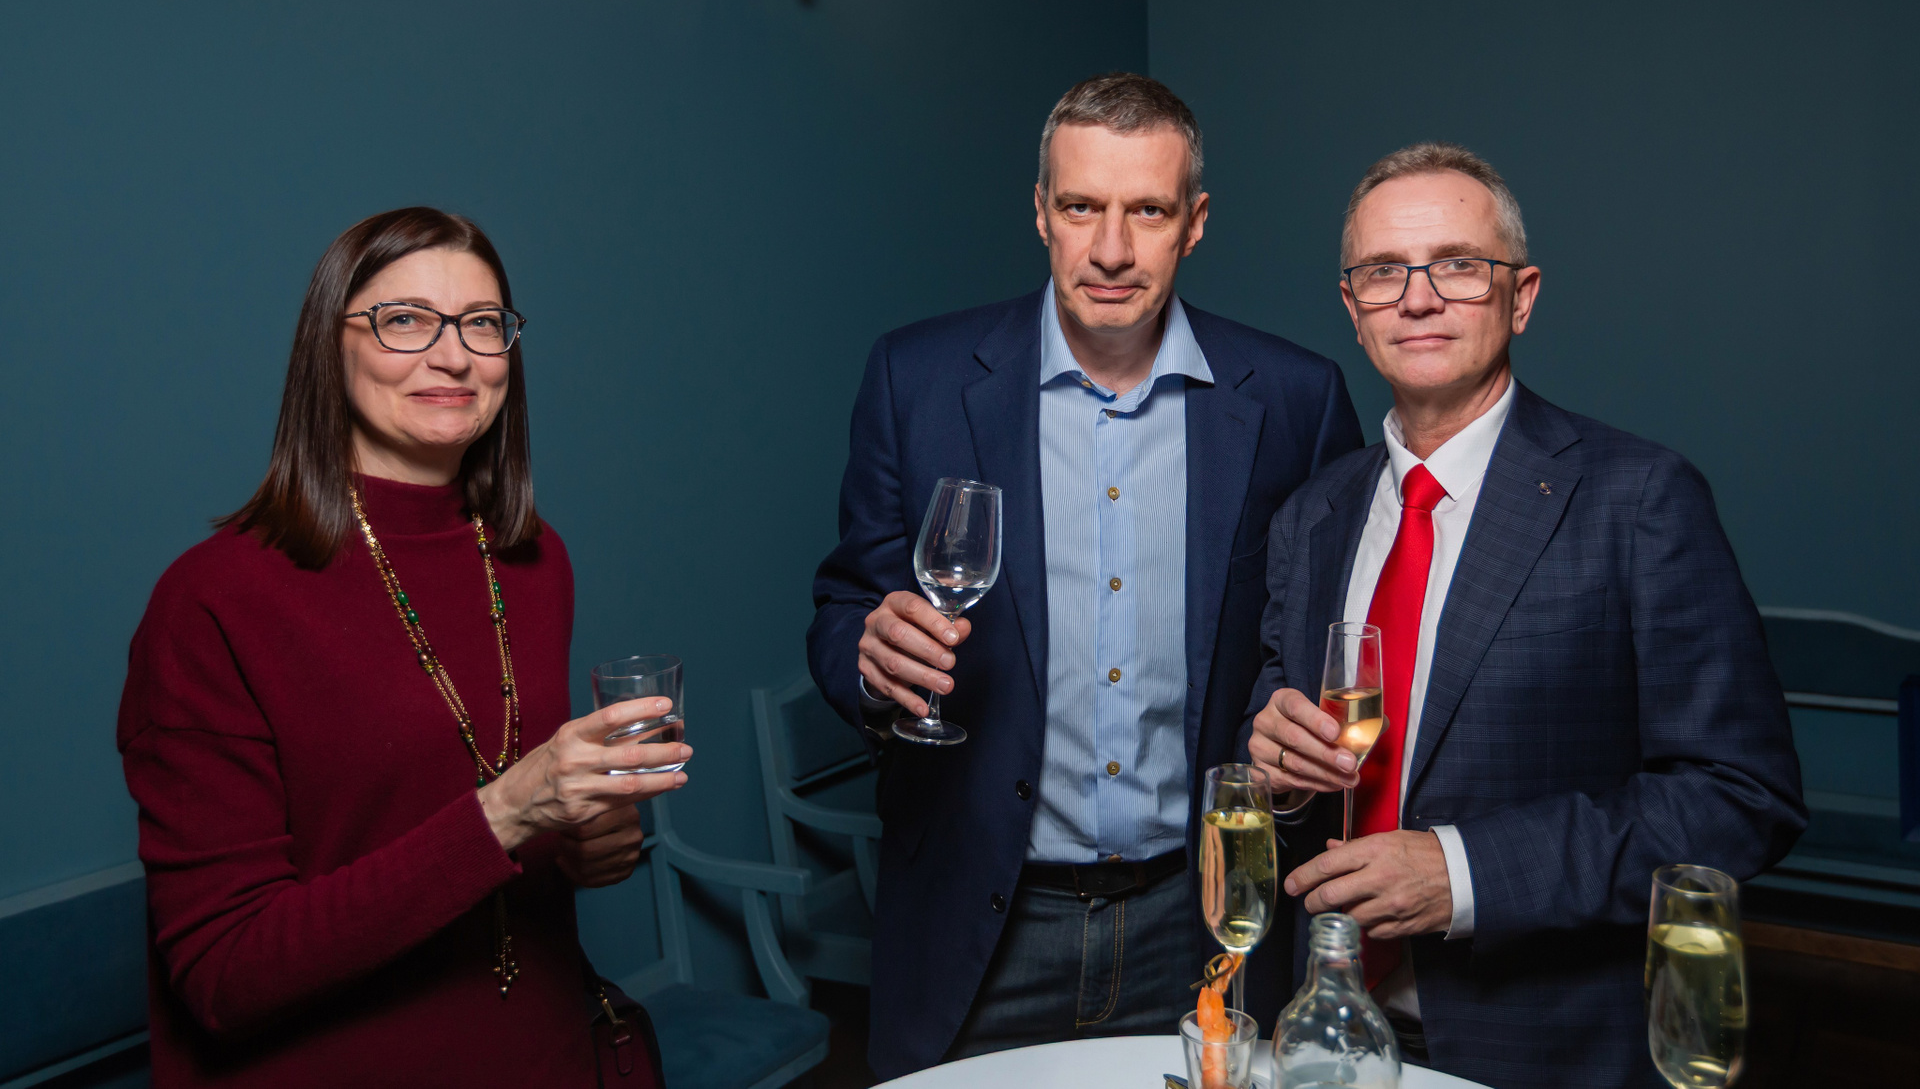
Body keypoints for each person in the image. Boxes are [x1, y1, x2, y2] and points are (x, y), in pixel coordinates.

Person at [809, 74, 1364, 1078]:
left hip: (1198, 917)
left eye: (1146, 210)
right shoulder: (916, 379)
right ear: (1040, 211)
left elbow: (1319, 644)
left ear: (1194, 222)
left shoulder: (1296, 400)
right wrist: (867, 657)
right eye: (1080, 207)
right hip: (983, 915)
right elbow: (847, 599)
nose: (1110, 249)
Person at [1246, 144, 1805, 1089]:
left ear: (1522, 297)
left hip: (1542, 1052)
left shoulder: (1640, 499)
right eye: (1384, 271)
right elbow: (1276, 726)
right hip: (1324, 1032)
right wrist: (1276, 770)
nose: (1418, 299)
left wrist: (1463, 874)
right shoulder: (1312, 516)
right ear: (1353, 307)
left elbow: (1740, 798)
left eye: (1458, 265)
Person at [117, 207, 688, 1087]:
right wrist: (510, 811)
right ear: (329, 346)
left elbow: (468, 819)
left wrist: (579, 847)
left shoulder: (534, 559)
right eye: (406, 320)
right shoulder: (213, 600)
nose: (453, 355)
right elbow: (224, 974)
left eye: (482, 324)